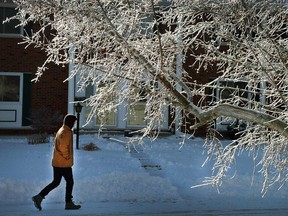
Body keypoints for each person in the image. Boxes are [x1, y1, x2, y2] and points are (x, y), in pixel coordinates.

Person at [32, 114, 81, 210]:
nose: (75, 124)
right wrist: (67, 157)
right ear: (70, 122)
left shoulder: (62, 129)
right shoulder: (66, 132)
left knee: (56, 182)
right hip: (63, 163)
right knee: (70, 182)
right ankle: (68, 203)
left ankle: (39, 197)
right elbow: (63, 147)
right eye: (74, 122)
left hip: (57, 162)